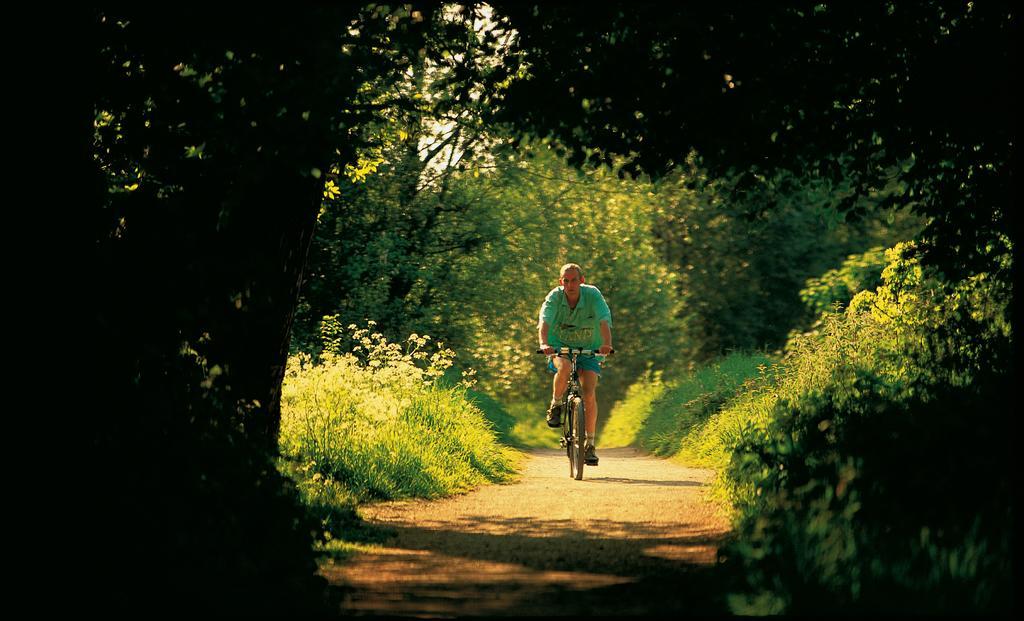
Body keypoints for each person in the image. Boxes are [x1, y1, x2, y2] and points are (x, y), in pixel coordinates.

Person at [537, 263, 613, 466]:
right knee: (565, 368)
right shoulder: (554, 297)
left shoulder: (593, 295)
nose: (570, 284)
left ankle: (589, 444)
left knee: (589, 392)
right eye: (566, 281)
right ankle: (556, 404)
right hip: (559, 347)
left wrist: (607, 344)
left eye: (574, 280)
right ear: (561, 282)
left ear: (582, 280)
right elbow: (544, 321)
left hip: (590, 348)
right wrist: (544, 343)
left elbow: (604, 320)